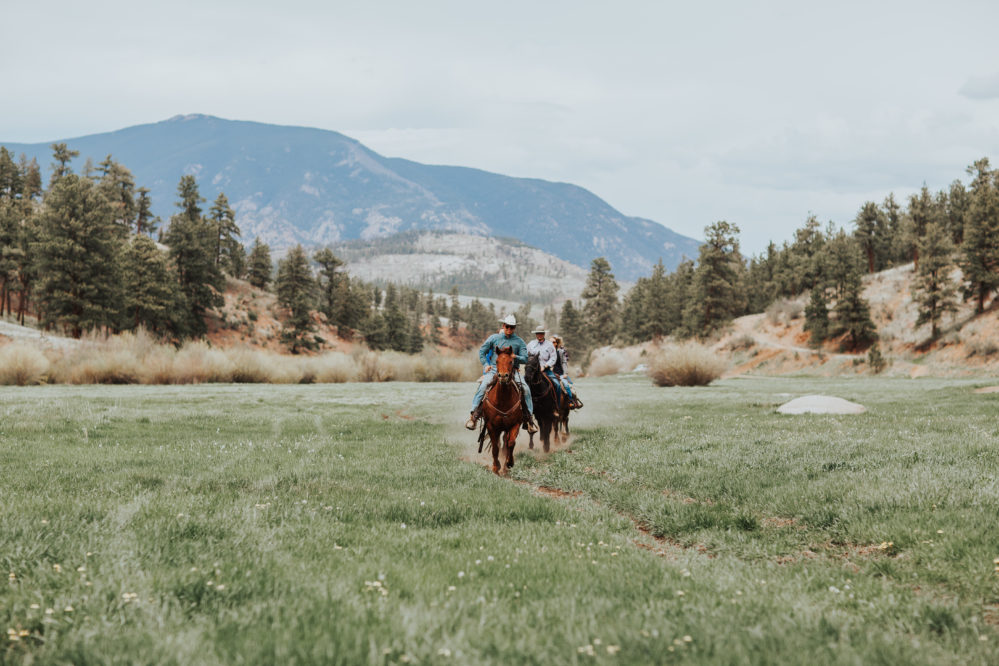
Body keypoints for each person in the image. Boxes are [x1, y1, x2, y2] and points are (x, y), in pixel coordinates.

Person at [465, 315, 538, 433]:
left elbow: (525, 358)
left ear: (515, 328)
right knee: (483, 386)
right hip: (494, 369)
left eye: (512, 327)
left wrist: (516, 357)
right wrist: (485, 364)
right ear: (503, 326)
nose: (509, 329)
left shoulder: (519, 342)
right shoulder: (494, 338)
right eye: (507, 326)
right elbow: (482, 352)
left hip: (513, 371)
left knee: (526, 389)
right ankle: (474, 417)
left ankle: (529, 420)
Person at [526, 326, 561, 398]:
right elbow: (527, 356)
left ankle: (557, 406)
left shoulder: (550, 345)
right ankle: (524, 406)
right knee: (524, 385)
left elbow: (553, 358)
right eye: (538, 333)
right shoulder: (530, 344)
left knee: (557, 385)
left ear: (544, 334)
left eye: (541, 333)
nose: (539, 335)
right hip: (533, 371)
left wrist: (545, 366)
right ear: (535, 334)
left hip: (546, 370)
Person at [551, 334, 582, 409]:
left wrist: (565, 373)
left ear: (556, 343)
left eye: (553, 342)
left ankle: (571, 401)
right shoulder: (547, 352)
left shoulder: (560, 352)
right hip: (550, 373)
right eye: (550, 342)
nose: (551, 344)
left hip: (560, 373)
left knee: (566, 385)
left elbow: (564, 363)